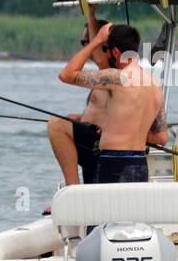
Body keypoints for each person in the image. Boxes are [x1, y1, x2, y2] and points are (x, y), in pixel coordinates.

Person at [58, 22, 168, 183]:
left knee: (102, 209)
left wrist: (96, 41)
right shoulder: (154, 85)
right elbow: (161, 137)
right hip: (140, 165)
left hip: (113, 164)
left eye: (105, 49)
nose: (103, 54)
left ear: (116, 52)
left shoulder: (117, 77)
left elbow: (66, 75)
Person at [46, 15, 109, 186]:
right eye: (83, 43)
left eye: (87, 43)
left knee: (57, 125)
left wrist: (91, 15)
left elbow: (66, 75)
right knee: (68, 119)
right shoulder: (102, 75)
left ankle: (72, 187)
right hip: (94, 142)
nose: (86, 48)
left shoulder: (111, 72)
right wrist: (82, 118)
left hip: (103, 148)